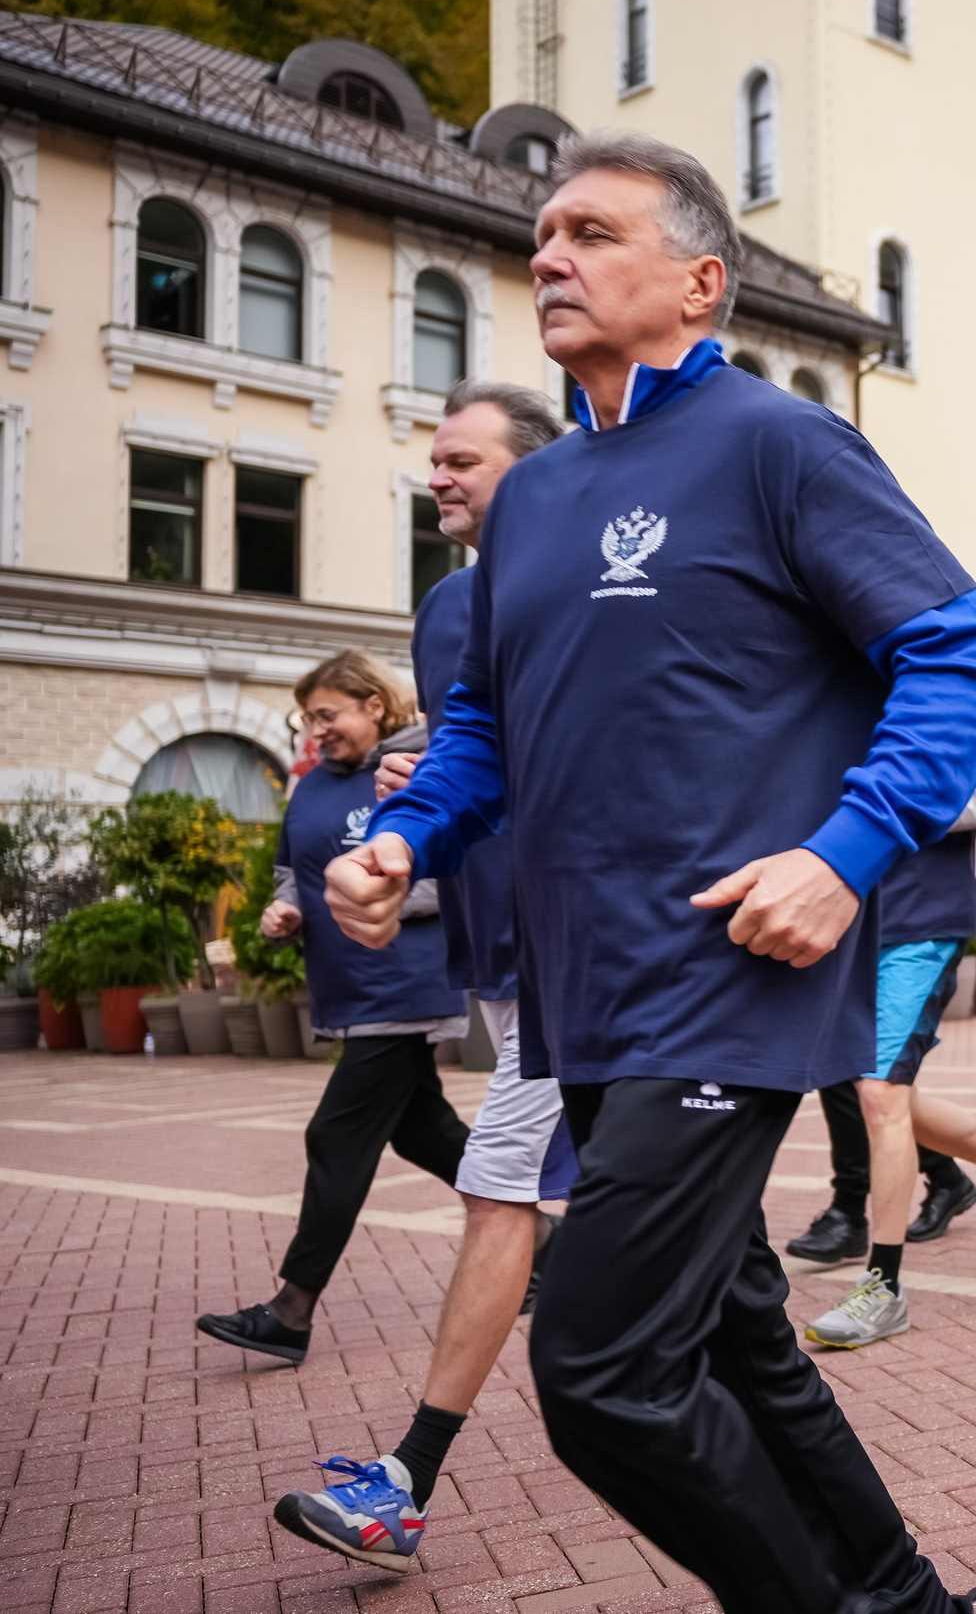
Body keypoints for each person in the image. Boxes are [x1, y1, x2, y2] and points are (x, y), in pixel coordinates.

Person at [333, 132, 976, 1613]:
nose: (548, 256)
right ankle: (901, 1595)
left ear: (700, 282)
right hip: (581, 988)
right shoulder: (533, 499)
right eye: (542, 235)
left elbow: (959, 657)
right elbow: (485, 725)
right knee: (737, 1331)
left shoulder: (780, 443)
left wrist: (841, 856)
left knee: (603, 1370)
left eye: (591, 232)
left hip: (725, 970)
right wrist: (401, 838)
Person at [269, 383, 573, 1570]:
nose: (437, 476)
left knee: (499, 1184)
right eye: (434, 460)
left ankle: (405, 1483)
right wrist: (414, 803)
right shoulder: (447, 604)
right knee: (670, 1222)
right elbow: (468, 746)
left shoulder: (594, 583)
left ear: (531, 470)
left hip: (584, 949)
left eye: (463, 461)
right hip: (495, 941)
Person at [196, 649, 471, 1371]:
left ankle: (291, 1311)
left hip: (403, 984)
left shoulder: (422, 764)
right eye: (308, 719)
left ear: (373, 705)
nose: (316, 730)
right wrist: (284, 910)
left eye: (327, 715)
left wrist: (376, 892)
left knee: (336, 1133)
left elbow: (454, 870)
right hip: (346, 985)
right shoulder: (313, 783)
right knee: (427, 1134)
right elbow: (294, 871)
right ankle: (542, 1241)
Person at [802, 738, 976, 1351]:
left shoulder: (943, 678)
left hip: (918, 917)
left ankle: (884, 1288)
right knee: (878, 1092)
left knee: (879, 1094)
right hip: (840, 915)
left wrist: (901, 812)